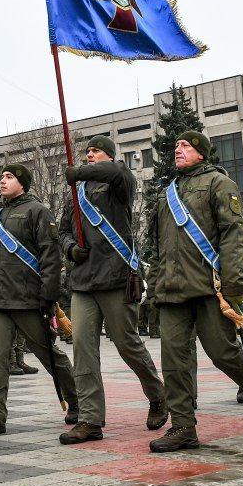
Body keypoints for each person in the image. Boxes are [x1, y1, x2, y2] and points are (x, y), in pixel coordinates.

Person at [148, 132, 243, 451]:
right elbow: (157, 244)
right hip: (172, 288)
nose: (178, 150)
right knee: (174, 360)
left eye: (186, 146)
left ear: (202, 154)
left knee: (222, 352)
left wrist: (234, 284)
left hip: (211, 285)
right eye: (176, 145)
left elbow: (232, 236)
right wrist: (154, 284)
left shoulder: (219, 184)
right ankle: (183, 426)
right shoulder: (168, 192)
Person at [59, 135, 167, 446]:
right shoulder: (75, 192)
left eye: (94, 151)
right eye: (87, 152)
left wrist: (80, 171)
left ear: (108, 154)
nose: (89, 155)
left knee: (126, 343)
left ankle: (157, 394)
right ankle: (91, 419)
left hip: (116, 274)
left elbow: (115, 173)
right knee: (83, 347)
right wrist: (69, 248)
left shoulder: (119, 178)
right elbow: (64, 229)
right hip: (83, 280)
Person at [0, 163, 77, 438]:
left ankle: (78, 400)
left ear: (23, 182)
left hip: (28, 299)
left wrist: (48, 295)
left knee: (48, 354)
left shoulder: (37, 211)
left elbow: (50, 257)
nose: (2, 181)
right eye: (2, 177)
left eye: (9, 177)